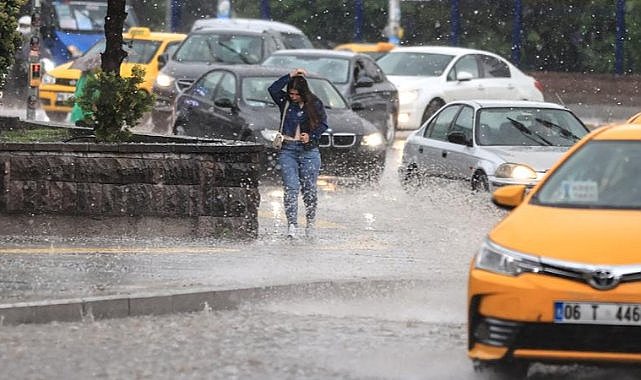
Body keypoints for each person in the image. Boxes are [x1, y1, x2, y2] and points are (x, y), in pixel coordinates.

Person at [268, 68, 328, 239]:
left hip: (309, 151)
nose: (293, 96)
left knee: (309, 190)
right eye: (291, 93)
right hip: (288, 149)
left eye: (296, 94)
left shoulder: (314, 103)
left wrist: (311, 135)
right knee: (291, 188)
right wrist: (290, 75)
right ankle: (292, 225)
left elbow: (324, 123)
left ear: (303, 93)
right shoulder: (285, 102)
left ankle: (310, 222)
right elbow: (272, 89)